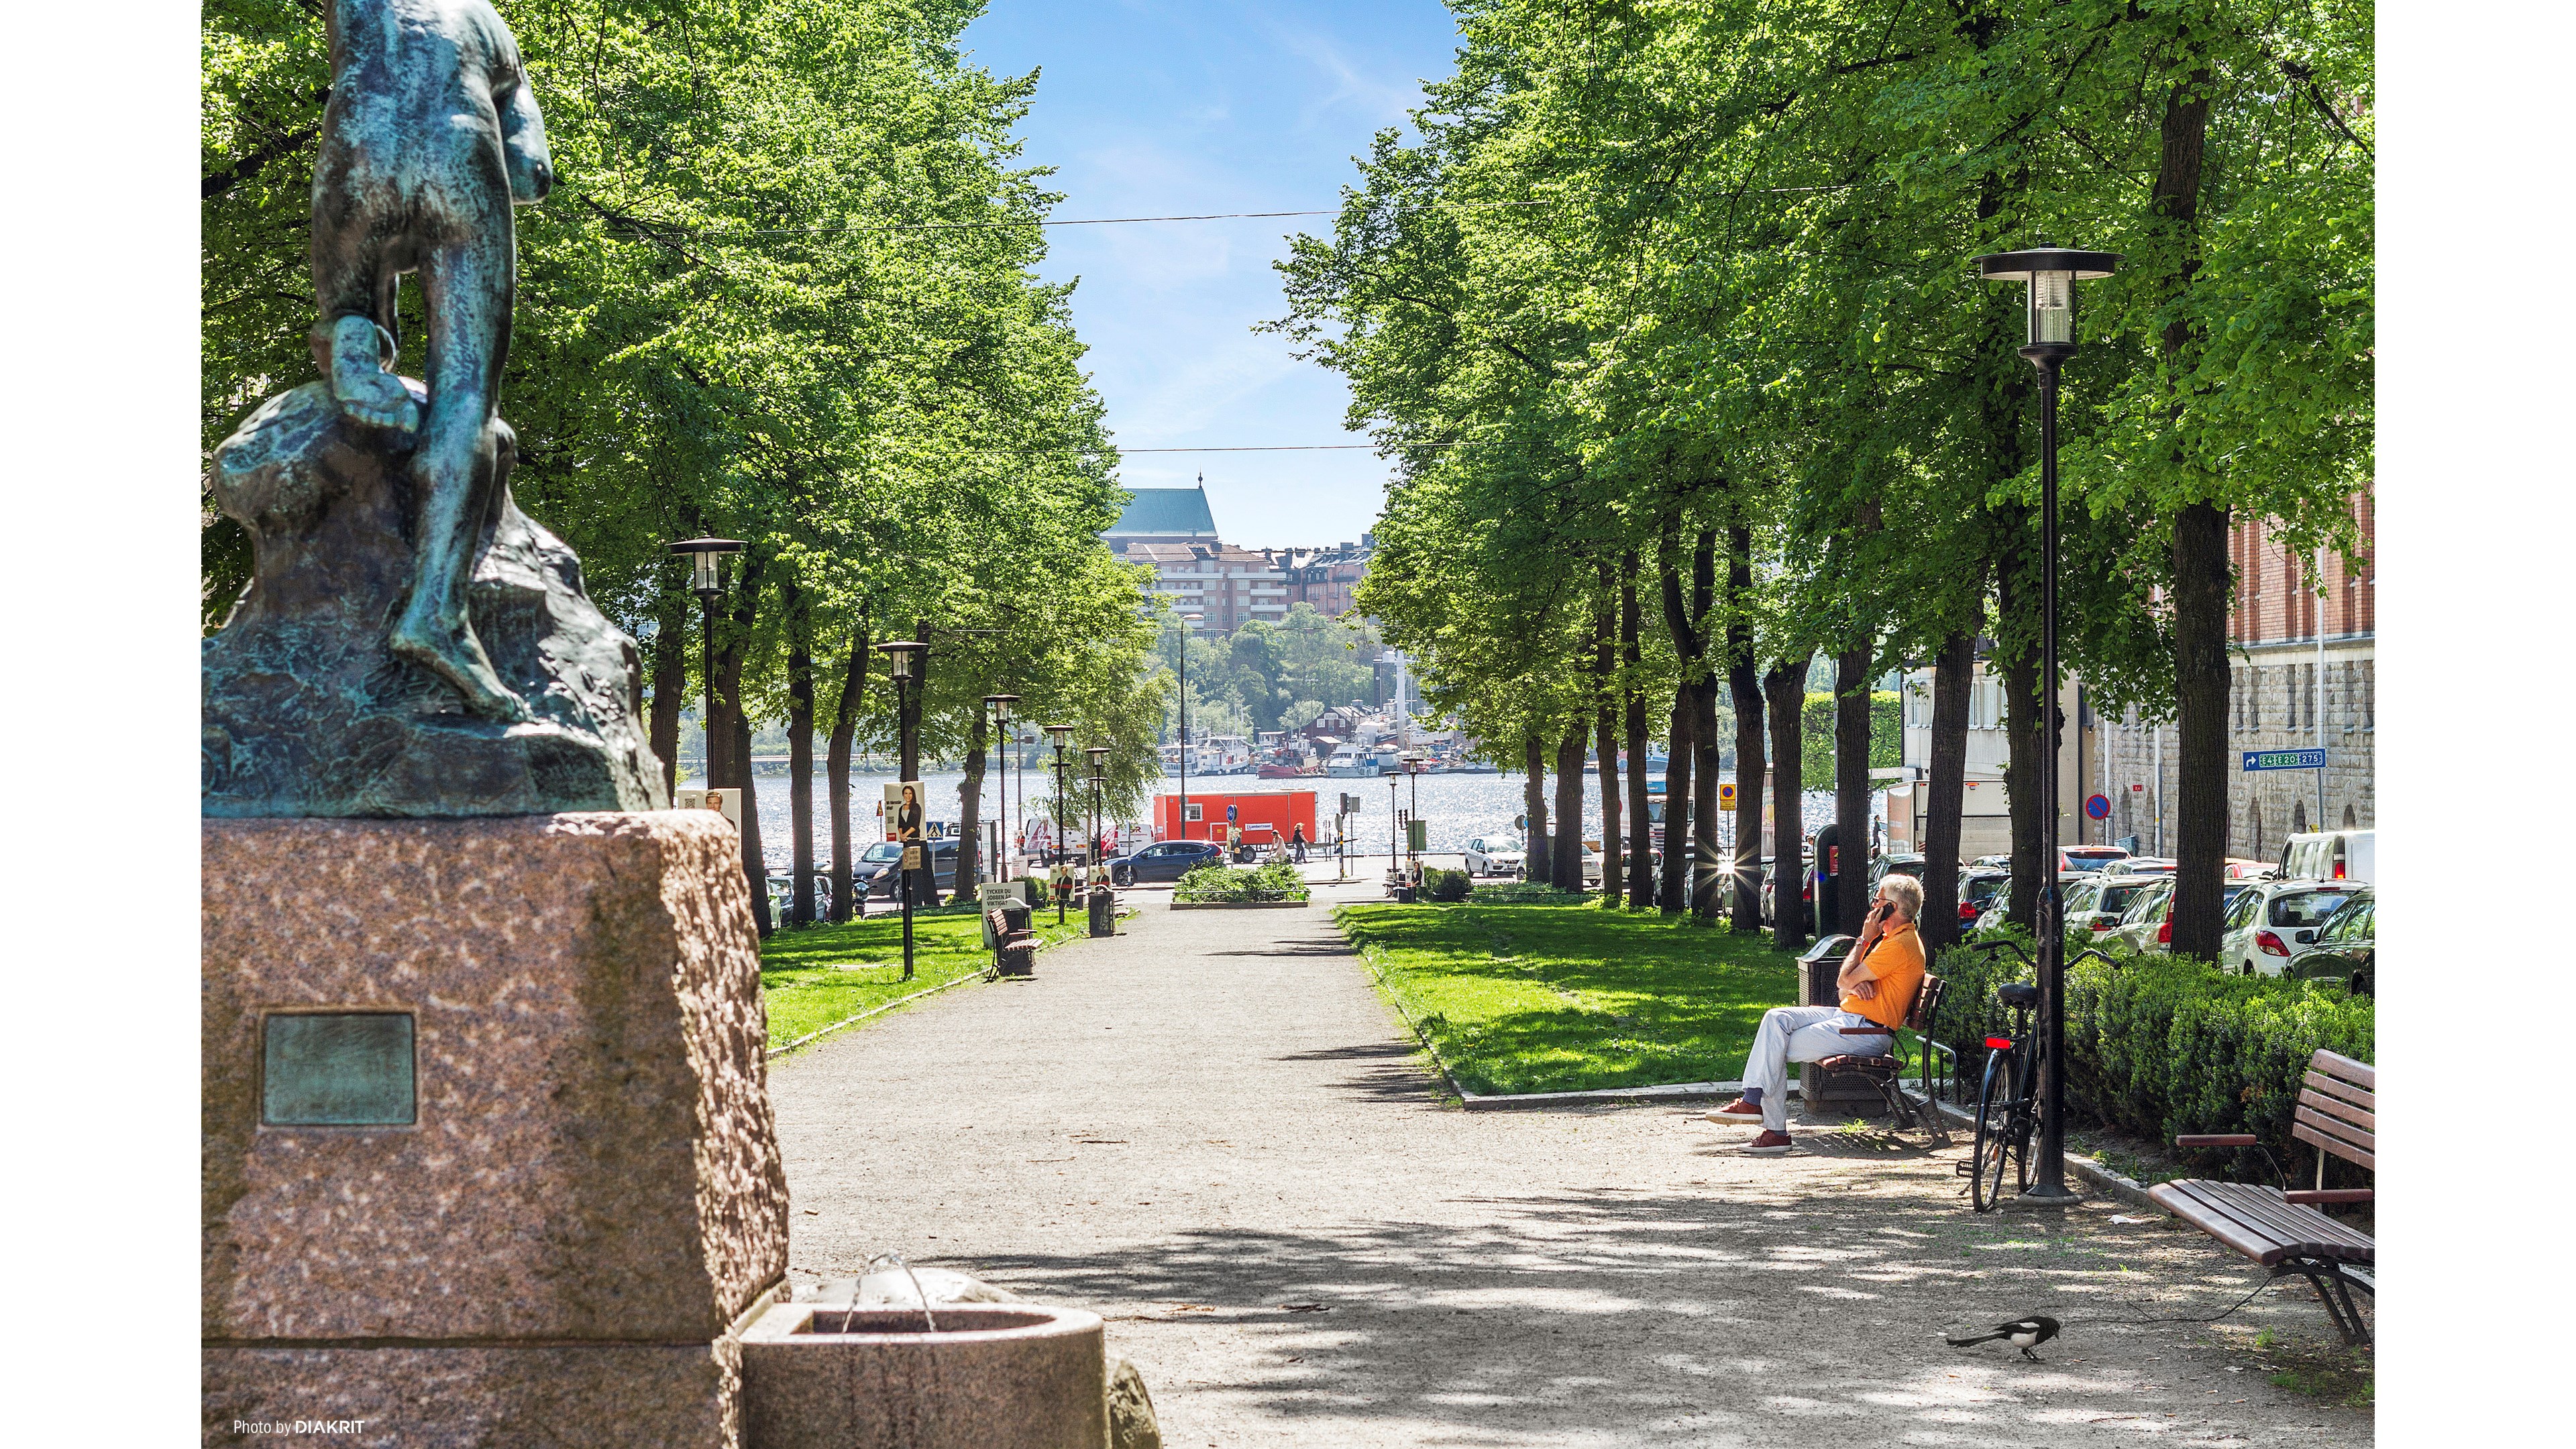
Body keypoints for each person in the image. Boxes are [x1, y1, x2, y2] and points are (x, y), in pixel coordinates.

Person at [1712, 873, 1927, 1155]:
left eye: (1879, 900)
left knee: (1777, 1045)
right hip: (1850, 1019)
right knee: (1777, 1018)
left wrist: (1863, 940)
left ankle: (1772, 1128)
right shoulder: (1892, 940)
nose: (1873, 905)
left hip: (1867, 1032)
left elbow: (1843, 981)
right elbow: (1844, 988)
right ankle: (1753, 1101)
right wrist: (1851, 984)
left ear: (1893, 908)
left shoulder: (1899, 945)